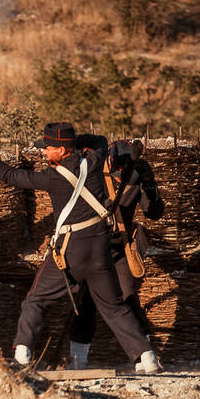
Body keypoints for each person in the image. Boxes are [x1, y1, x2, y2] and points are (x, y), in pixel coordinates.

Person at [0, 123, 160, 373]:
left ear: (62, 151)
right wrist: (71, 141)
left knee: (35, 301)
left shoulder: (52, 177)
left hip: (70, 250)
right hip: (99, 250)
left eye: (48, 148)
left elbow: (8, 175)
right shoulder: (93, 162)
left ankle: (22, 356)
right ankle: (147, 358)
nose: (42, 152)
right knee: (115, 307)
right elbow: (100, 140)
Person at [69, 139, 165, 370]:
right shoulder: (92, 173)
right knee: (85, 302)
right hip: (90, 245)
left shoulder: (137, 176)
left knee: (128, 298)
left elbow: (154, 213)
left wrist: (149, 186)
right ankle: (77, 360)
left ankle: (146, 357)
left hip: (117, 246)